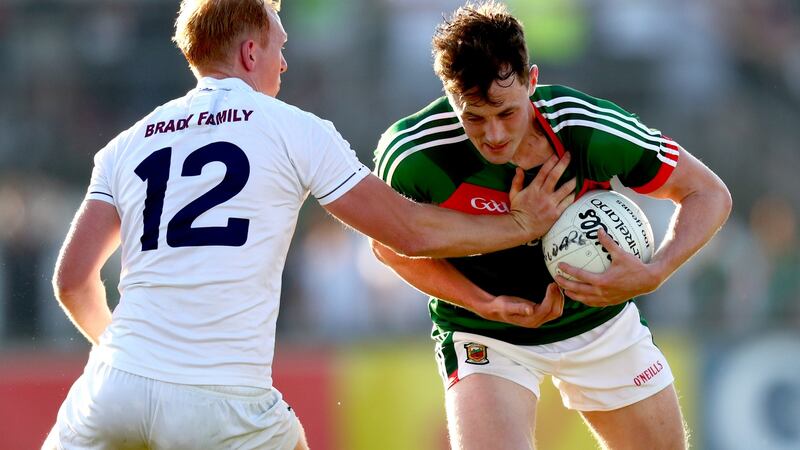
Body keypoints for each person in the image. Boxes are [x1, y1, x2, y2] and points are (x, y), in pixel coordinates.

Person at [42, 1, 578, 449]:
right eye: (281, 46)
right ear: (250, 51)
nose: (284, 63)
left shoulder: (125, 145)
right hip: (224, 403)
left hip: (110, 390)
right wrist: (521, 224)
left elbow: (71, 281)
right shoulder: (294, 129)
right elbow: (407, 232)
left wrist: (135, 362)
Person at [371, 2, 732, 449]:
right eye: (473, 117)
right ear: (449, 98)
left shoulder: (588, 129)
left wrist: (656, 271)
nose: (495, 134)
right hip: (486, 332)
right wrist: (484, 303)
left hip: (601, 323)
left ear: (532, 81)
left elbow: (709, 193)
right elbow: (389, 247)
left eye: (506, 112)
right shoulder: (413, 157)